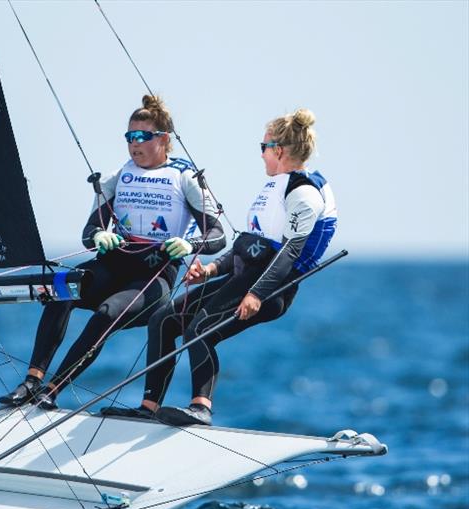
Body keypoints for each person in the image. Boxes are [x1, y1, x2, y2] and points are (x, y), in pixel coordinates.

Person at [101, 108, 337, 426]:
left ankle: (201, 407)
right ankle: (149, 407)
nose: (262, 155)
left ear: (278, 150)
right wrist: (211, 270)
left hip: (271, 286)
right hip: (246, 276)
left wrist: (255, 294)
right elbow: (250, 247)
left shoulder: (304, 192)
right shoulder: (277, 187)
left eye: (263, 147)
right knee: (164, 320)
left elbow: (289, 253)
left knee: (199, 330)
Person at [0, 95, 226, 410]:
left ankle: (52, 390)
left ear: (163, 139)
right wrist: (100, 236)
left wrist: (191, 245)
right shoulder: (118, 177)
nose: (134, 143)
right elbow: (89, 234)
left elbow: (218, 235)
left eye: (142, 136)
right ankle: (31, 381)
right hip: (112, 266)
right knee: (63, 287)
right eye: (129, 136)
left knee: (106, 313)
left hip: (152, 275)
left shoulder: (184, 179)